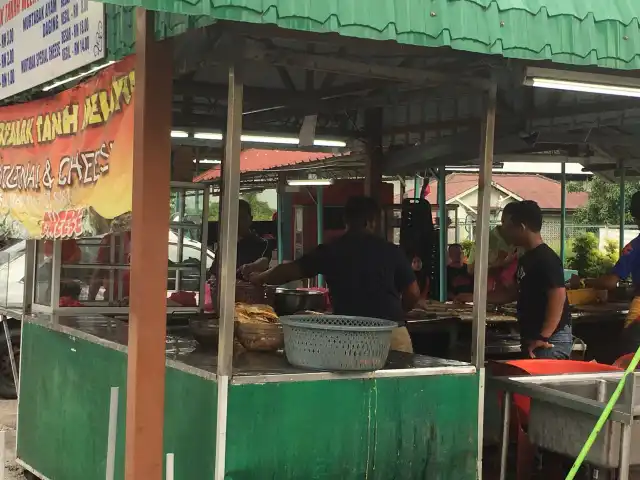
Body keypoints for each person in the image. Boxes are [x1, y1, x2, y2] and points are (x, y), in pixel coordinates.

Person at [249, 196, 421, 353]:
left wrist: (260, 278)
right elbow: (413, 293)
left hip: (350, 337)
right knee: (399, 385)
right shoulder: (391, 251)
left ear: (345, 220)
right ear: (372, 222)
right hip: (391, 334)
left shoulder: (331, 250)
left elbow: (288, 271)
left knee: (356, 386)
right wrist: (400, 311)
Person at [458, 201, 572, 359]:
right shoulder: (525, 257)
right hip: (533, 336)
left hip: (549, 341)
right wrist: (476, 298)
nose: (503, 229)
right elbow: (512, 292)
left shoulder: (545, 258)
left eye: (506, 224)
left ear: (522, 227)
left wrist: (543, 336)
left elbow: (558, 295)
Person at [573, 191, 640, 357]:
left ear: (634, 215)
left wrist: (585, 281)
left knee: (630, 360)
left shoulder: (635, 246)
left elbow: (611, 282)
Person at [210, 199, 271, 280]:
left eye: (242, 217)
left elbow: (264, 263)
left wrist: (251, 267)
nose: (238, 222)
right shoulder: (225, 245)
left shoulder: (262, 244)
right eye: (234, 217)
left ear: (250, 219)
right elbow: (215, 271)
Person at [467, 202, 522, 291]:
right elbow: (471, 271)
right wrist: (499, 265)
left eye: (519, 225)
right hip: (489, 297)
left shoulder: (523, 241)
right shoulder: (485, 241)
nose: (516, 228)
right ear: (503, 219)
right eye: (513, 224)